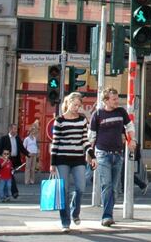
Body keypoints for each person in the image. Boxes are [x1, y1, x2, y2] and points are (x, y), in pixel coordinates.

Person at [88, 87, 136, 227]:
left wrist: (131, 139)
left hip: (118, 154)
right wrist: (90, 155)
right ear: (105, 100)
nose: (117, 101)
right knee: (107, 185)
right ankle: (107, 216)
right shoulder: (97, 115)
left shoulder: (121, 112)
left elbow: (129, 126)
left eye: (117, 99)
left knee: (114, 188)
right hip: (102, 154)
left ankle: (109, 212)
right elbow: (92, 137)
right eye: (114, 99)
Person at [51, 92, 97, 233]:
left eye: (79, 105)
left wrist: (92, 156)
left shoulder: (82, 120)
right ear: (68, 103)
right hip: (62, 159)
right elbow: (55, 142)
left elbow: (85, 140)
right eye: (75, 104)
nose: (77, 108)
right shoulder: (59, 120)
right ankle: (65, 222)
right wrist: (52, 163)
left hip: (78, 159)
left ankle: (75, 212)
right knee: (64, 191)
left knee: (81, 188)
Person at [0, 124, 29, 199]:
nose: (16, 130)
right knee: (10, 175)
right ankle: (14, 192)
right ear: (10, 129)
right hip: (7, 160)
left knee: (8, 177)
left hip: (15, 160)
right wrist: (1, 160)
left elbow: (22, 148)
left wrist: (28, 154)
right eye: (14, 129)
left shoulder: (17, 138)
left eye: (16, 129)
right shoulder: (4, 138)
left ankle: (5, 194)